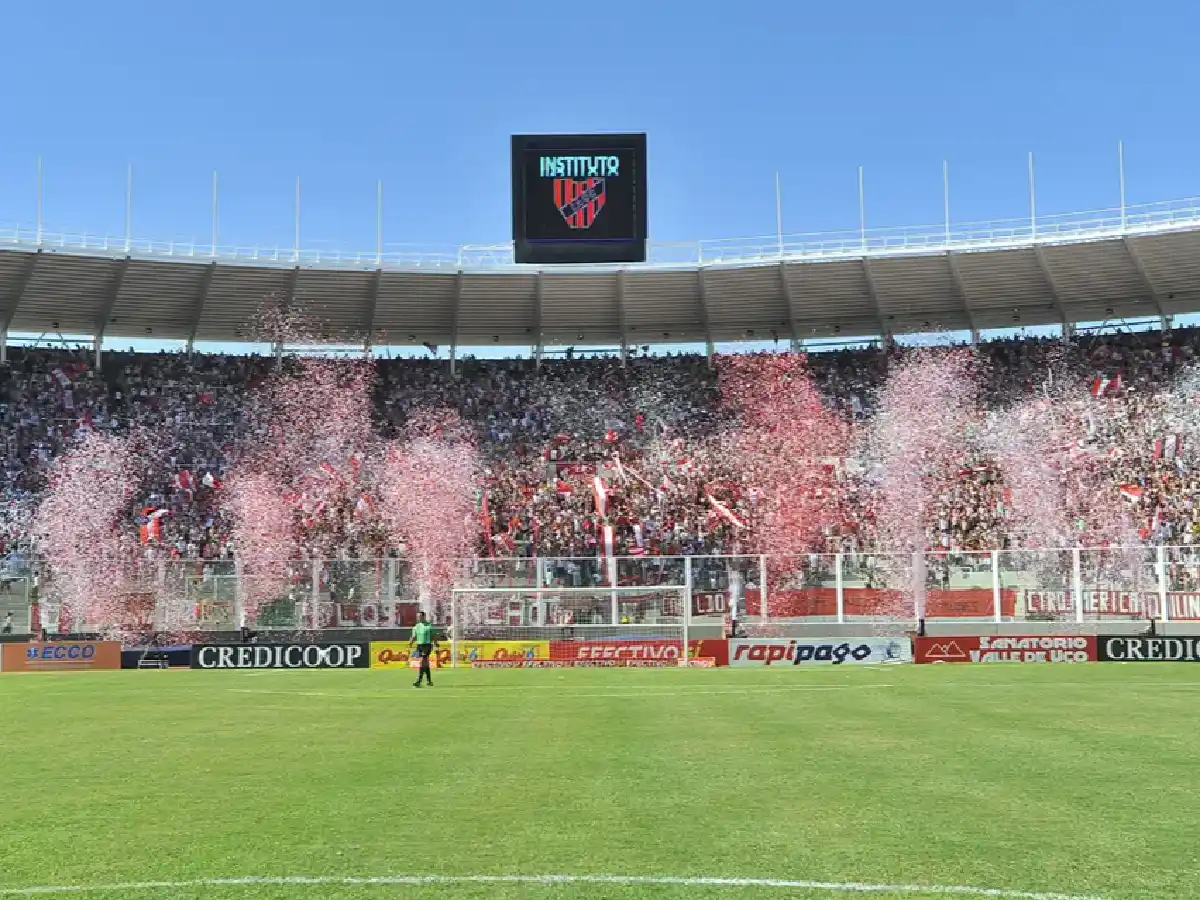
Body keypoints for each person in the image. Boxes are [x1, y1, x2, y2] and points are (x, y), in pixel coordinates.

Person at [409, 611, 438, 688]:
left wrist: (435, 643)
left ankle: (418, 680)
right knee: (425, 663)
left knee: (422, 661)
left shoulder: (429, 626)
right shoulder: (416, 627)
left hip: (427, 645)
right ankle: (429, 681)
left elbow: (434, 635)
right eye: (418, 617)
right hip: (419, 646)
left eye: (420, 616)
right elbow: (414, 636)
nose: (419, 618)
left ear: (424, 617)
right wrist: (410, 643)